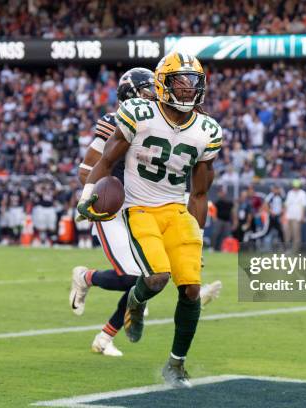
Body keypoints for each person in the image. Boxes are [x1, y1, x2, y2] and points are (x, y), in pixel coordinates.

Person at [76, 52, 221, 388]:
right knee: (156, 277)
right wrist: (87, 197)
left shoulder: (206, 129)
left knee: (191, 289)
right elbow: (106, 159)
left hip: (176, 209)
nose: (187, 91)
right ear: (162, 84)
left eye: (192, 84)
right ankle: (135, 306)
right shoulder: (137, 114)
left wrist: (196, 236)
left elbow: (199, 194)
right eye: (180, 84)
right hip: (139, 207)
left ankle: (176, 364)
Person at [284, 179, 306, 254]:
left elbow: (304, 206)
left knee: (296, 235)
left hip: (297, 217)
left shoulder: (303, 193)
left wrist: (302, 216)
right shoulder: (290, 193)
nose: (295, 188)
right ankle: (287, 250)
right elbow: (286, 204)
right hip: (289, 216)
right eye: (294, 186)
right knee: (287, 234)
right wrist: (285, 215)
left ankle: (295, 251)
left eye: (296, 186)